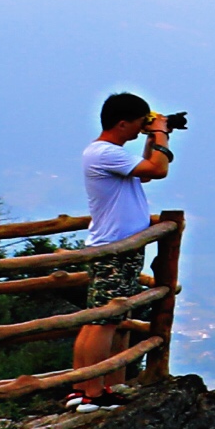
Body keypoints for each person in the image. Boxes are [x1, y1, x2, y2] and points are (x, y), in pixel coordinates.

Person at [71, 91, 173, 398]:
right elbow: (159, 169)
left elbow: (147, 172)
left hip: (119, 248)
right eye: (139, 123)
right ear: (122, 123)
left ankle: (94, 388)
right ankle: (91, 391)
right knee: (102, 321)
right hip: (113, 248)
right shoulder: (105, 153)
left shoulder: (108, 154)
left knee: (106, 320)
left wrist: (152, 136)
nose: (142, 127)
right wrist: (160, 132)